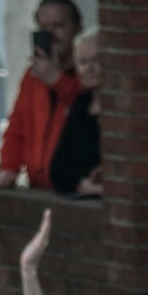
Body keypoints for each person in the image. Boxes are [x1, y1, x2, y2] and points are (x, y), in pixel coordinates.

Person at [0, 0, 84, 190]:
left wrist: (57, 80)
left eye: (58, 25)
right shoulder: (33, 77)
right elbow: (17, 127)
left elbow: (84, 110)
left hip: (75, 186)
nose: (52, 33)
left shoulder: (86, 71)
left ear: (76, 29)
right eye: (44, 27)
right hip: (38, 184)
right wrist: (8, 168)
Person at [48, 28, 103, 198]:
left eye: (97, 60)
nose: (89, 68)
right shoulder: (81, 105)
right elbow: (57, 170)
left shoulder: (123, 108)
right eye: (83, 62)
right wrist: (83, 184)